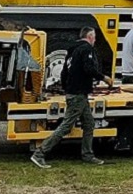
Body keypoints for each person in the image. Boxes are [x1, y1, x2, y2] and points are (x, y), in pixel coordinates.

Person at [30, 24, 108, 168]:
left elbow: (64, 73)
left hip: (76, 93)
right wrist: (104, 77)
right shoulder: (86, 49)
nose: (95, 41)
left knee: (89, 124)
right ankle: (40, 153)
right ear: (90, 37)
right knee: (66, 126)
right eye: (94, 38)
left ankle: (87, 154)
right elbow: (89, 68)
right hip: (78, 95)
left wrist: (66, 88)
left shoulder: (72, 50)